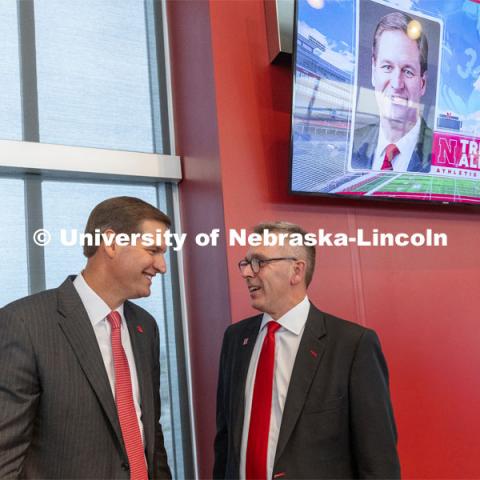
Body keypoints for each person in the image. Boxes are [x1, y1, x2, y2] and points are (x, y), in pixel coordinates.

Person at [0, 196, 172, 479]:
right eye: (153, 250)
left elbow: (150, 437)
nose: (162, 266)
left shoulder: (146, 327)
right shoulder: (24, 324)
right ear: (111, 242)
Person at [213, 222, 400, 479]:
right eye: (245, 263)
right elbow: (224, 441)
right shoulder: (235, 339)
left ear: (296, 271)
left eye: (259, 262)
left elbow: (379, 462)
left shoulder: (353, 345)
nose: (247, 273)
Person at [351, 11, 433, 173]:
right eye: (387, 67)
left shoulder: (440, 154)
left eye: (408, 71)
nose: (397, 83)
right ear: (374, 71)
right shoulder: (352, 142)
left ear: (422, 83)